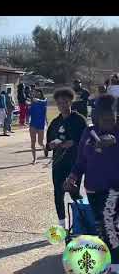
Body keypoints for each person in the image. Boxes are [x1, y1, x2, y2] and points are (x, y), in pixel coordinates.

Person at [64, 94, 119, 274]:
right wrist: (72, 177)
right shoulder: (88, 134)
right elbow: (81, 161)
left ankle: (115, 267)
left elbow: (112, 138)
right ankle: (111, 265)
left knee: (110, 224)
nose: (109, 123)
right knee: (103, 227)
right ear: (95, 117)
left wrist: (112, 140)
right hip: (93, 189)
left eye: (112, 119)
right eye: (105, 120)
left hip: (114, 188)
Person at [45, 88, 87, 228]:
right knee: (58, 193)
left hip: (75, 163)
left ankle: (81, 222)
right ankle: (61, 225)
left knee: (74, 192)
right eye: (59, 103)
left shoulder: (79, 120)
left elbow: (87, 140)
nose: (62, 105)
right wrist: (51, 145)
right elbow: (48, 145)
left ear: (71, 102)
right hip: (58, 163)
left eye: (65, 102)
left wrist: (74, 142)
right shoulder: (55, 122)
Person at [29, 88, 48, 164]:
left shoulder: (44, 100)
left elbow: (43, 103)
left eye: (38, 93)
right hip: (33, 124)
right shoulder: (32, 101)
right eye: (35, 93)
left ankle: (44, 148)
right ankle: (34, 159)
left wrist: (37, 100)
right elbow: (30, 112)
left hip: (41, 124)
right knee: (33, 142)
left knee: (40, 142)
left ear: (41, 93)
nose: (36, 94)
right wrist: (29, 106)